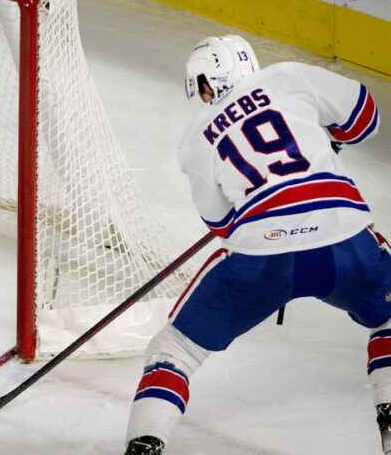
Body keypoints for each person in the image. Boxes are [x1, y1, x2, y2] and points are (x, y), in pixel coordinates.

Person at [124, 35, 390, 454]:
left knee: (174, 350)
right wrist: (328, 136)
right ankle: (389, 406)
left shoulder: (195, 138)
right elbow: (366, 118)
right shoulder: (289, 77)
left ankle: (145, 441)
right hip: (344, 238)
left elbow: (223, 224)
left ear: (206, 82)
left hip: (263, 259)